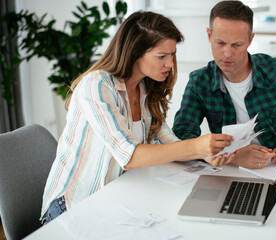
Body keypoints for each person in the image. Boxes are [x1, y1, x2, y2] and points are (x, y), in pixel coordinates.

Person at [40, 11, 236, 224]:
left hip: (115, 198)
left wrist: (204, 155)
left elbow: (165, 140)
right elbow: (129, 156)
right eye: (162, 56)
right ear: (135, 53)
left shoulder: (144, 87)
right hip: (73, 207)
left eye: (172, 54)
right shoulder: (97, 86)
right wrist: (195, 147)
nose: (170, 63)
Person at [173, 1, 276, 170]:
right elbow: (182, 138)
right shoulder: (199, 82)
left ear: (250, 40)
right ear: (209, 36)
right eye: (220, 43)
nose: (227, 53)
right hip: (234, 172)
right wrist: (233, 158)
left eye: (236, 45)